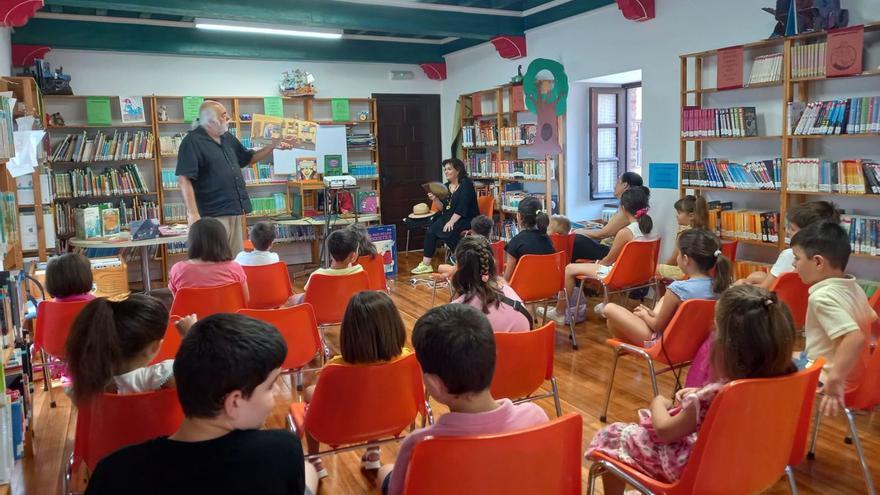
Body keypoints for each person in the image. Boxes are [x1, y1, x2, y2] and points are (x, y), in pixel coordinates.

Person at [586, 285, 796, 494]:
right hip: (745, 464)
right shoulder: (783, 381)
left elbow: (665, 430)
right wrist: (698, 395)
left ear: (728, 347)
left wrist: (658, 403)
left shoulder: (716, 395)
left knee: (611, 435)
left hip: (695, 472)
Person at [84, 313, 318, 495]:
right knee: (309, 472)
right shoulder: (280, 451)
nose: (277, 392)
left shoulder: (114, 472)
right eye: (270, 386)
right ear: (233, 402)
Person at [377, 304, 548, 495]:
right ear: (493, 360)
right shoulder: (536, 417)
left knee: (384, 472)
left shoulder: (420, 445)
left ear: (434, 385)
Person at [303, 291, 410, 479]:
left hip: (341, 425)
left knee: (310, 396)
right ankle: (373, 451)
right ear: (395, 326)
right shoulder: (407, 357)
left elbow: (322, 395)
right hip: (388, 419)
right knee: (376, 395)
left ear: (349, 330)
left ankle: (314, 459)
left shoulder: (335, 367)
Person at [791, 221, 877, 416]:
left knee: (766, 364)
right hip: (858, 376)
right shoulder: (852, 287)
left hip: (828, 376)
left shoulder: (822, 297)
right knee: (788, 355)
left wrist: (835, 380)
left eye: (797, 258)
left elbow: (854, 337)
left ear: (818, 262)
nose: (794, 264)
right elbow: (870, 323)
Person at [176, 100, 279, 254]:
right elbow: (184, 179)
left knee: (235, 259)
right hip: (212, 215)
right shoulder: (192, 142)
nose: (228, 118)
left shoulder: (227, 138)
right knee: (215, 261)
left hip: (235, 211)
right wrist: (193, 214)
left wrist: (272, 145)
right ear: (211, 120)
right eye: (224, 116)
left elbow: (248, 158)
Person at [603, 229, 731, 346]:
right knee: (616, 320)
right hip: (694, 345)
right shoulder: (722, 286)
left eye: (678, 253)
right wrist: (652, 315)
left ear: (685, 259)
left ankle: (632, 346)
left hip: (663, 345)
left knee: (609, 309)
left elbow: (657, 326)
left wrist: (644, 316)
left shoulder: (678, 289)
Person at [546, 186, 653, 322]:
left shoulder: (625, 232)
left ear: (624, 209)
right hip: (639, 274)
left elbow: (609, 260)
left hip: (619, 273)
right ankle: (605, 303)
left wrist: (597, 264)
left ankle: (559, 312)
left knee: (569, 268)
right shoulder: (647, 228)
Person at [65, 295, 195, 403]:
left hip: (107, 434)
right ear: (154, 347)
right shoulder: (157, 377)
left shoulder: (82, 386)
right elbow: (204, 378)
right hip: (157, 433)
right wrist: (192, 336)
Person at [737, 201, 839, 289]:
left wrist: (741, 286)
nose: (787, 231)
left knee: (744, 282)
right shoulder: (833, 257)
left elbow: (765, 289)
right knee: (757, 275)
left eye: (792, 229)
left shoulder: (790, 255)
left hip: (779, 303)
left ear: (808, 233)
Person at [411, 158, 479, 274]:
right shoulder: (445, 186)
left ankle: (458, 259)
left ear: (457, 170)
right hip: (449, 217)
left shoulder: (466, 185)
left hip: (465, 218)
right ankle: (426, 264)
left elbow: (462, 207)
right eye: (445, 170)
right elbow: (443, 208)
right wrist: (435, 199)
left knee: (449, 230)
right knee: (431, 231)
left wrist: (451, 222)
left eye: (449, 169)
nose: (446, 172)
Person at [451, 235, 531, 332]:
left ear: (459, 268)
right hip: (525, 345)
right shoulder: (509, 291)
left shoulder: (455, 311)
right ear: (491, 263)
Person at [168, 218, 249, 303]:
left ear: (192, 241)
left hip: (193, 316)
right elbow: (245, 300)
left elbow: (178, 302)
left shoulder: (178, 270)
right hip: (226, 315)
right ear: (223, 241)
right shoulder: (235, 268)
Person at [571, 172, 646, 261]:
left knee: (575, 240)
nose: (614, 186)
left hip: (611, 252)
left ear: (625, 185)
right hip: (609, 247)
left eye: (618, 182)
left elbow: (602, 234)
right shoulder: (631, 207)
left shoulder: (627, 210)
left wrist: (577, 231)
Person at [656, 195, 709, 280]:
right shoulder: (704, 230)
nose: (676, 216)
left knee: (654, 270)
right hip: (700, 271)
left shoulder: (684, 234)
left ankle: (665, 293)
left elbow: (674, 258)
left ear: (691, 216)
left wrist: (663, 268)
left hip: (685, 272)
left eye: (679, 213)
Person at [503, 196, 554, 281]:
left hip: (523, 290)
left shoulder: (515, 242)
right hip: (548, 288)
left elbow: (507, 278)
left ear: (519, 216)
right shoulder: (547, 239)